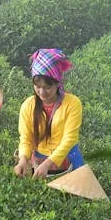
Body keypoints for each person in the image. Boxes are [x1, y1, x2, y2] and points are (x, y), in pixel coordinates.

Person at [14, 48, 85, 179]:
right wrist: (23, 159)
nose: (42, 92)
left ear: (58, 83)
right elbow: (26, 137)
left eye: (47, 87)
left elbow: (70, 139)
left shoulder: (73, 103)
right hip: (39, 158)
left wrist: (48, 163)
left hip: (66, 157)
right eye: (37, 86)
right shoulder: (28, 105)